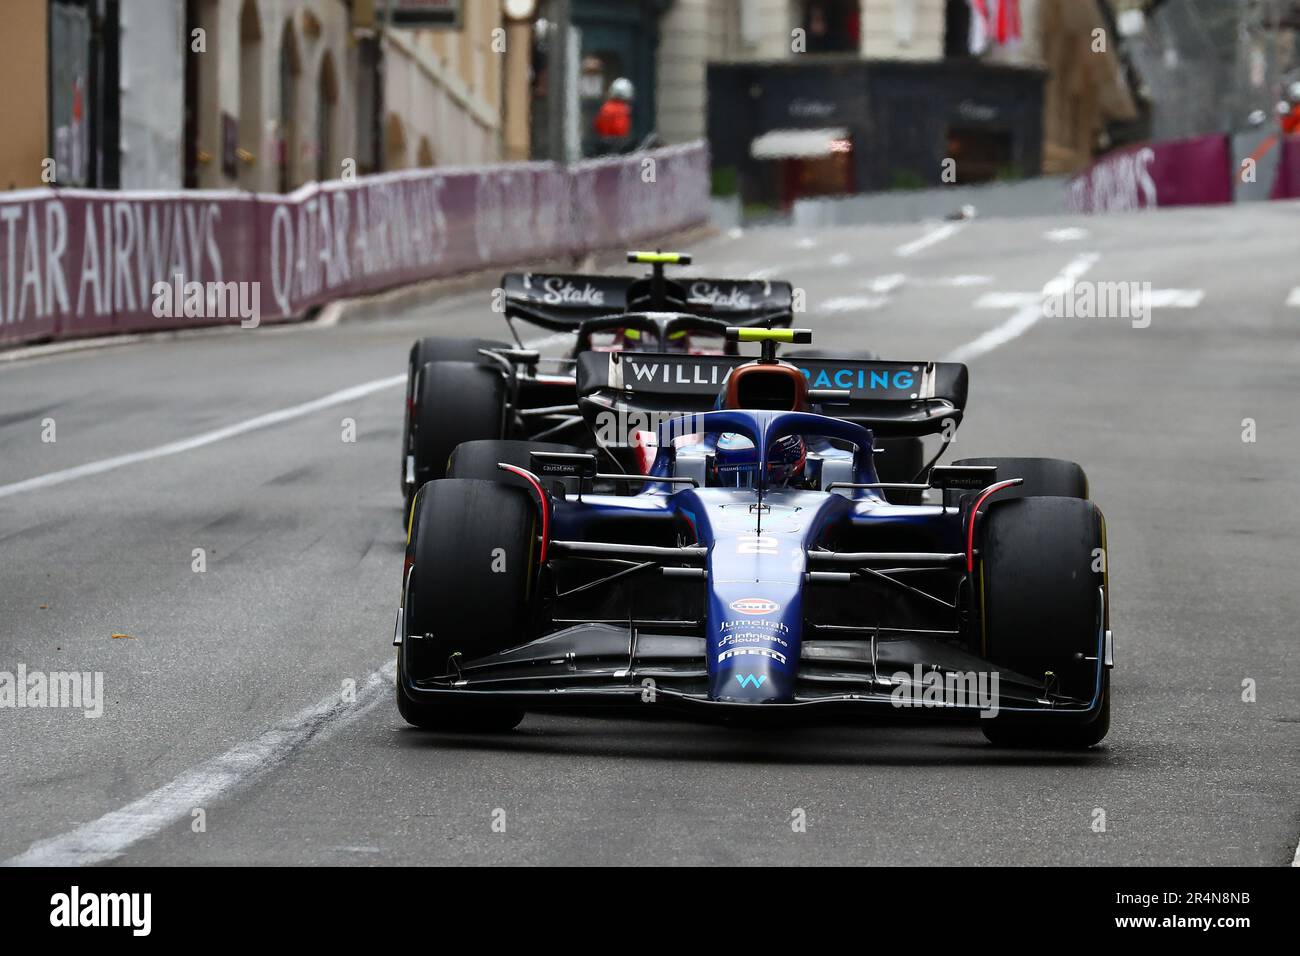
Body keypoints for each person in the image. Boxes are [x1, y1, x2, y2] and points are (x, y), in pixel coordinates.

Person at [593, 78, 634, 154]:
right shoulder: (622, 109)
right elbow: (620, 130)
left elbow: (597, 125)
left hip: (602, 145)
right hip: (616, 147)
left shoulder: (605, 107)